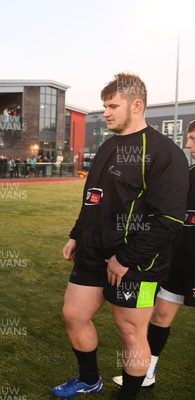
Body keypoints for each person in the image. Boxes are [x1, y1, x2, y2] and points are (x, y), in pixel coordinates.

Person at [52, 73, 188, 400]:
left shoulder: (164, 153)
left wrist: (126, 258)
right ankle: (89, 379)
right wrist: (75, 235)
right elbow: (93, 199)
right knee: (74, 314)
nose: (106, 113)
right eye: (104, 106)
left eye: (113, 106)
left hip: (136, 263)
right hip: (93, 253)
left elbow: (168, 219)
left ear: (137, 105)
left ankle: (127, 397)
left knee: (130, 331)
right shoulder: (108, 147)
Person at [112, 119, 195, 389]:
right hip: (179, 263)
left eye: (193, 138)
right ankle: (148, 372)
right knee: (160, 317)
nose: (188, 144)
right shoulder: (188, 173)